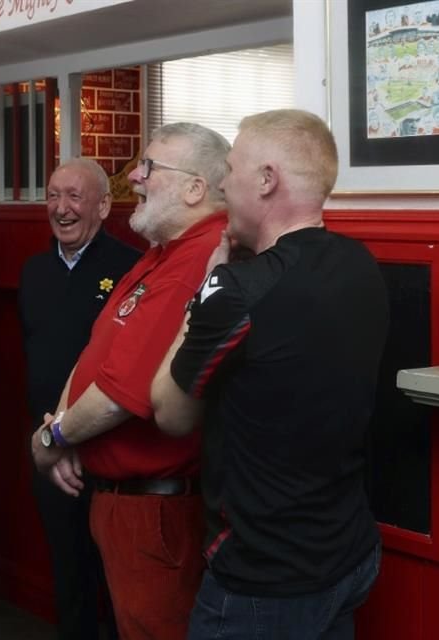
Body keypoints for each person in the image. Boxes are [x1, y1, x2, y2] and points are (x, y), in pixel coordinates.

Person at [150, 109, 388, 639]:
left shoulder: (238, 290)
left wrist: (203, 295)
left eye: (230, 170)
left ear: (266, 180)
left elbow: (168, 412)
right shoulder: (361, 265)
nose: (221, 186)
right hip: (346, 552)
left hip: (265, 578)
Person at [30, 123, 231, 639]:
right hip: (117, 497)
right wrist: (60, 425)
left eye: (149, 167)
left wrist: (53, 438)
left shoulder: (198, 259)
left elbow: (125, 394)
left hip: (154, 510)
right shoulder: (160, 251)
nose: (134, 177)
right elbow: (94, 351)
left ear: (194, 189)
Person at [19, 158, 139, 640]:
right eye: (53, 196)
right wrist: (51, 443)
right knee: (66, 572)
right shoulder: (33, 271)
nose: (61, 209)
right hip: (49, 452)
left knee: (118, 581)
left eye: (74, 196)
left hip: (111, 454)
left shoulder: (131, 268)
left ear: (104, 205)